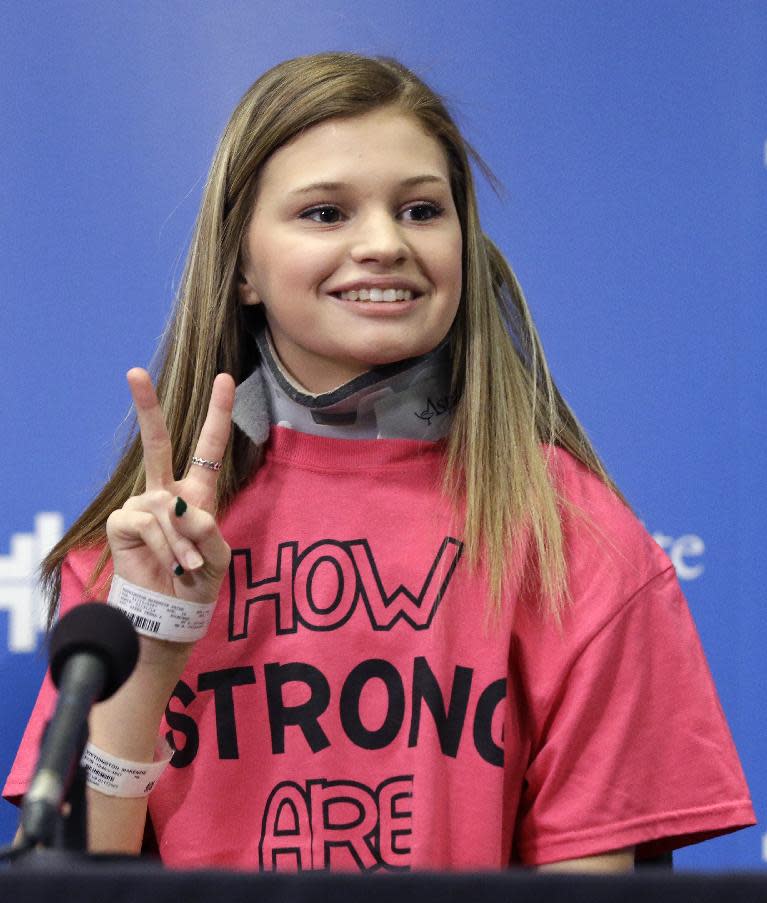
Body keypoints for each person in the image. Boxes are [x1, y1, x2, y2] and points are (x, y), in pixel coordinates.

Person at [3, 52, 755, 872]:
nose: (384, 243)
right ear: (243, 267)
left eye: (421, 209)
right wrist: (151, 643)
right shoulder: (148, 548)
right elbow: (75, 882)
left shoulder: (577, 538)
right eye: (325, 213)